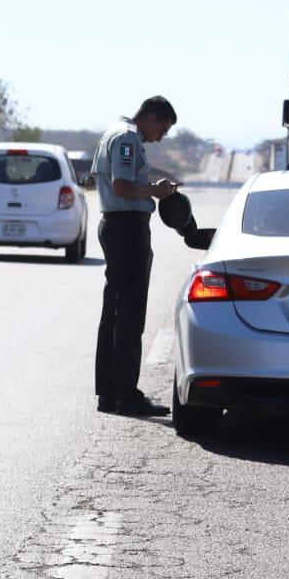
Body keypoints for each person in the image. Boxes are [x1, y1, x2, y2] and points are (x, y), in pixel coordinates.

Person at [91, 97, 180, 416]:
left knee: (114, 313)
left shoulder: (115, 132)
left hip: (116, 227)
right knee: (129, 314)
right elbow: (122, 186)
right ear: (152, 118)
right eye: (163, 129)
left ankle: (109, 393)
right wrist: (155, 190)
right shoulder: (128, 138)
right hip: (127, 229)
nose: (161, 137)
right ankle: (127, 395)